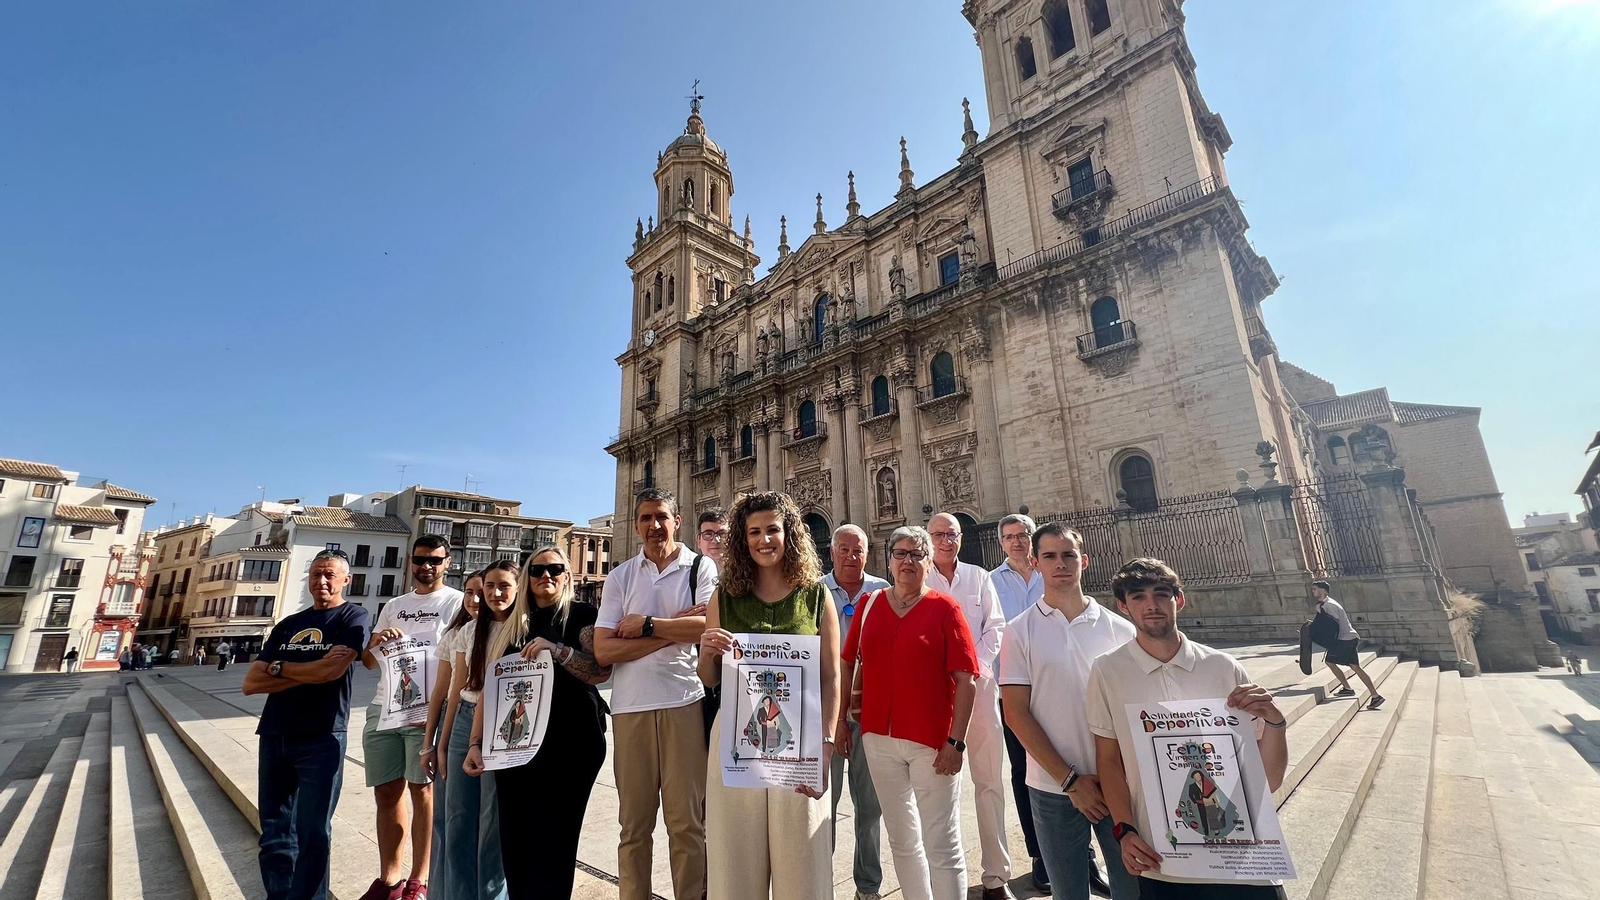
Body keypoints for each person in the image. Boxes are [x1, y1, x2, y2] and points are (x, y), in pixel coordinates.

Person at [1088, 558, 1289, 899]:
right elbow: (1108, 761)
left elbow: (1267, 779)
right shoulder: (1107, 671)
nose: (1151, 605)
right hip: (1165, 858)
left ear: (1178, 599)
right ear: (1123, 606)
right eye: (1138, 597)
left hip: (1242, 857)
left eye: (1161, 594)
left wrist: (1276, 722)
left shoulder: (1223, 667)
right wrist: (1124, 830)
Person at [697, 492, 841, 900]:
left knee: (803, 856)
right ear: (743, 540)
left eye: (773, 530)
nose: (764, 540)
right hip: (737, 736)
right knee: (734, 855)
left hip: (802, 739)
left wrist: (827, 745)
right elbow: (709, 679)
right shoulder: (723, 597)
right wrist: (706, 652)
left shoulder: (815, 594)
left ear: (789, 534)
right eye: (754, 532)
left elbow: (831, 675)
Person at [838, 526, 979, 900]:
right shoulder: (870, 605)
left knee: (941, 842)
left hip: (932, 742)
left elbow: (967, 681)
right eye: (900, 553)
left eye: (917, 555)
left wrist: (956, 742)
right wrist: (841, 721)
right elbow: (847, 662)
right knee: (902, 839)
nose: (908, 561)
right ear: (889, 560)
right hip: (878, 739)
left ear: (928, 563)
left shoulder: (945, 608)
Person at [999, 524, 1138, 900]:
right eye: (1050, 556)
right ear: (1035, 563)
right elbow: (1015, 713)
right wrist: (1070, 781)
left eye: (1068, 555)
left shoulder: (1121, 630)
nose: (1060, 564)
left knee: (1132, 888)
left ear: (1084, 561)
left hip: (1119, 784)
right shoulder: (1018, 631)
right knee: (1068, 892)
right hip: (1052, 786)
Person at [464, 549, 613, 899]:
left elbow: (601, 670)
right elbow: (491, 684)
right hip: (515, 745)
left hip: (572, 743)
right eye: (538, 570)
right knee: (515, 842)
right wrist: (475, 742)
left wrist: (557, 650)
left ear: (567, 575)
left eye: (555, 569)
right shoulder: (514, 623)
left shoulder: (582, 615)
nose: (546, 575)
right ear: (528, 578)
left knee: (555, 842)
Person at [594, 488, 715, 900]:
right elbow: (604, 649)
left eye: (661, 516)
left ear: (676, 521)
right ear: (635, 525)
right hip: (629, 709)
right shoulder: (621, 575)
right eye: (645, 518)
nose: (654, 526)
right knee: (634, 826)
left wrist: (645, 624)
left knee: (687, 824)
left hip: (684, 701)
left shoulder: (700, 568)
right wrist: (670, 630)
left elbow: (706, 629)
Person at [243, 548, 372, 900]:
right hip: (275, 734)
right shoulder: (288, 624)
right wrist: (307, 671)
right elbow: (250, 683)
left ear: (347, 579)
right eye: (316, 574)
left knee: (314, 831)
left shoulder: (354, 617)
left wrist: (279, 668)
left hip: (322, 735)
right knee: (274, 831)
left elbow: (332, 670)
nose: (322, 581)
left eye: (330, 574)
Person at [359, 535, 464, 900]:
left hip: (425, 712)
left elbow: (461, 657)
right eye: (421, 559)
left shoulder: (457, 603)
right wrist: (377, 642)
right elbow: (369, 661)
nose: (427, 566)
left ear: (448, 563)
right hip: (384, 707)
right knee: (386, 793)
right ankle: (389, 879)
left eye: (435, 560)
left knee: (423, 793)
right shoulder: (394, 605)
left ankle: (419, 881)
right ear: (410, 561)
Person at [924, 512, 1011, 900]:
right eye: (938, 535)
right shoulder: (919, 580)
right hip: (937, 700)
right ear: (928, 538)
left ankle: (997, 876)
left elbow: (997, 626)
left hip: (978, 692)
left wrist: (972, 669)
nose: (946, 541)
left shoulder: (979, 577)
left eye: (952, 534)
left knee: (990, 783)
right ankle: (943, 880)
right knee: (938, 790)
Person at [420, 571, 503, 900]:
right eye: (469, 592)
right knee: (450, 820)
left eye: (481, 592)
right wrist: (434, 742)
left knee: (485, 822)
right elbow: (446, 690)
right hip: (458, 723)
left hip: (487, 725)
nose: (475, 599)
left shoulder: (508, 630)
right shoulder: (459, 632)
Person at [821, 524, 889, 900]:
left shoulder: (882, 592)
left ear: (868, 552)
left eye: (858, 550)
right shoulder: (813, 592)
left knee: (870, 806)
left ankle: (868, 886)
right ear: (831, 553)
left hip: (870, 715)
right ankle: (820, 880)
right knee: (823, 805)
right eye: (844, 549)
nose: (851, 556)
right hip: (827, 714)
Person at [1310, 581, 1384, 710]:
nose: (1313, 591)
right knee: (1355, 667)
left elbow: (1332, 626)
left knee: (1330, 661)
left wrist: (1316, 634)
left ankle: (1349, 688)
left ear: (1323, 590)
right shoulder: (1325, 604)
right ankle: (1374, 695)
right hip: (1350, 637)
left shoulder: (1329, 605)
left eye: (1315, 589)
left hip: (1344, 639)